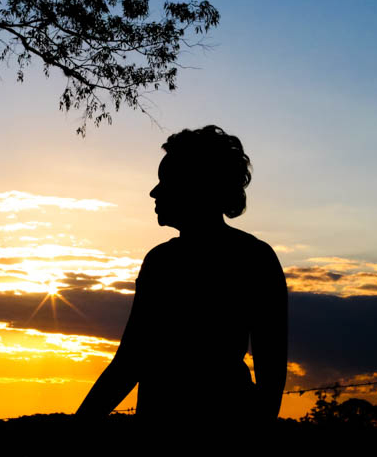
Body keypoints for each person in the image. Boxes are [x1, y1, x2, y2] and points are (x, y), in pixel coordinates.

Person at [76, 125, 288, 421]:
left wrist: (76, 427)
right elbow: (129, 363)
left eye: (166, 181)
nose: (154, 191)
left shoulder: (166, 263)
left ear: (194, 186)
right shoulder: (252, 256)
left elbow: (129, 363)